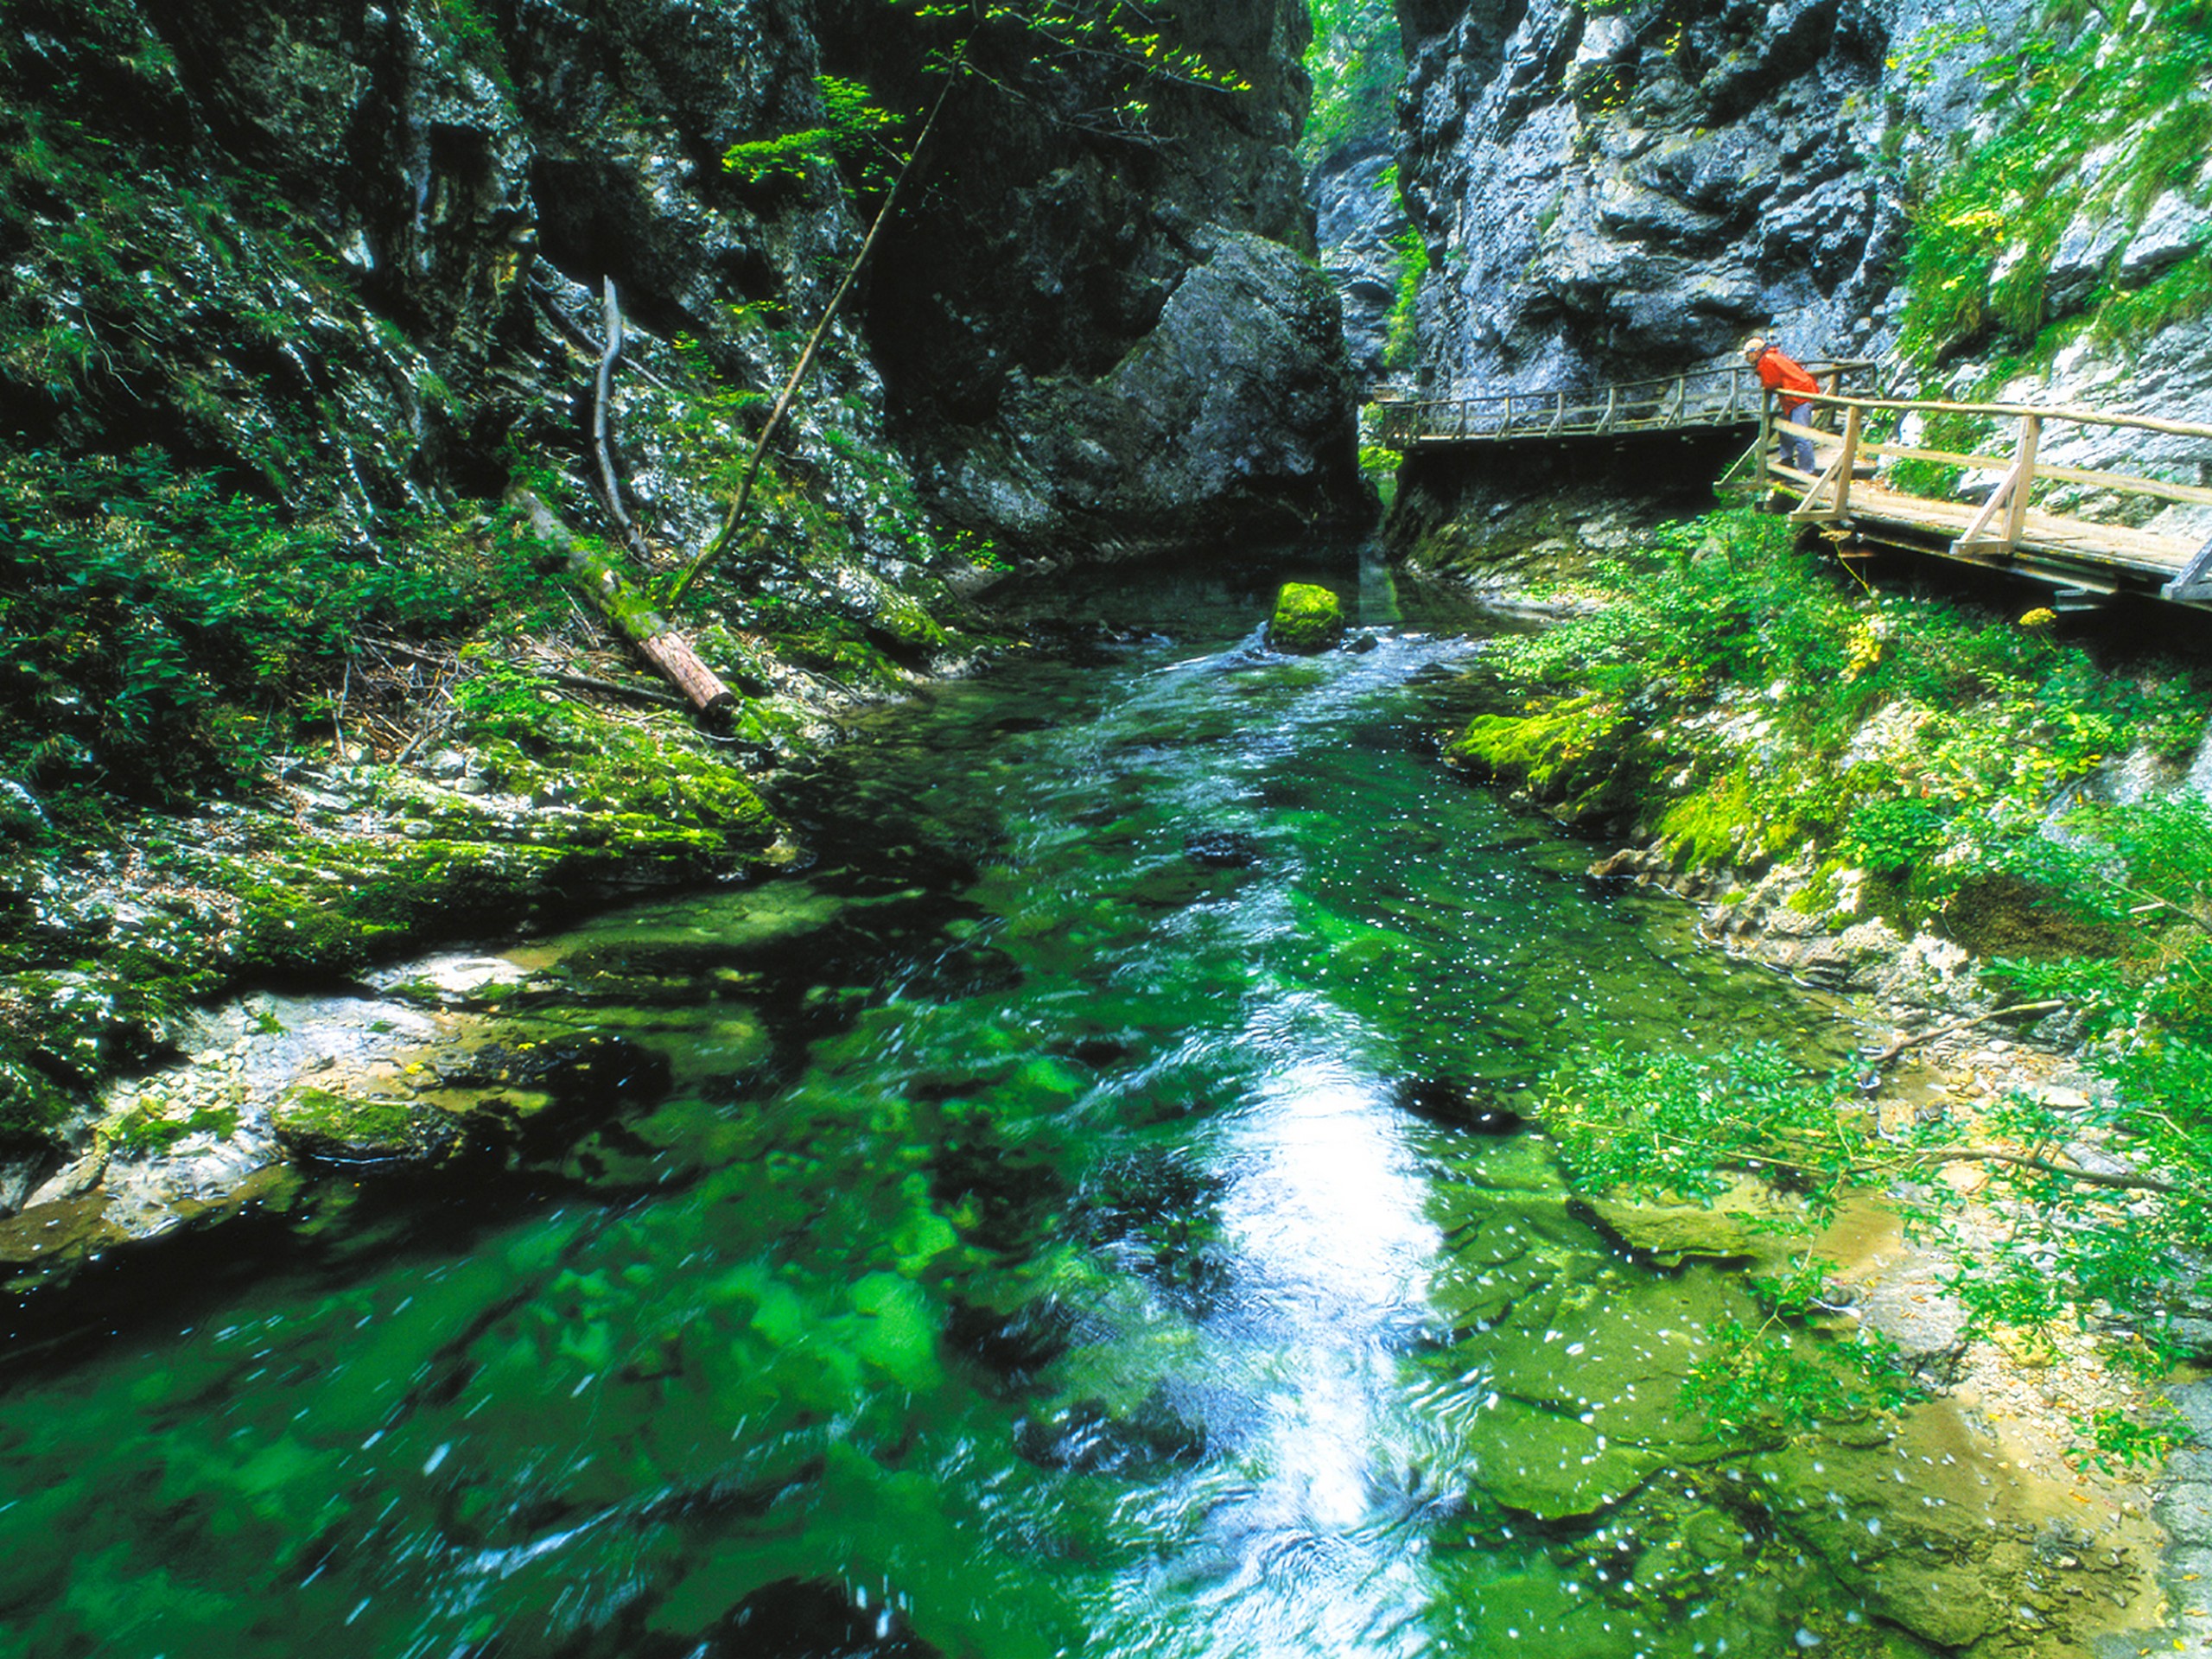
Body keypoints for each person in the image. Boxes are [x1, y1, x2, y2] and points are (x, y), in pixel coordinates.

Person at [1743, 335, 1819, 473]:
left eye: (1747, 355)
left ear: (1755, 352)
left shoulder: (1766, 361)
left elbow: (1770, 383)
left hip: (1799, 396)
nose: (1746, 359)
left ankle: (1807, 471)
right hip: (1794, 395)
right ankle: (1787, 459)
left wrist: (1763, 381)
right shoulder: (1772, 357)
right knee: (1784, 428)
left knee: (1801, 434)